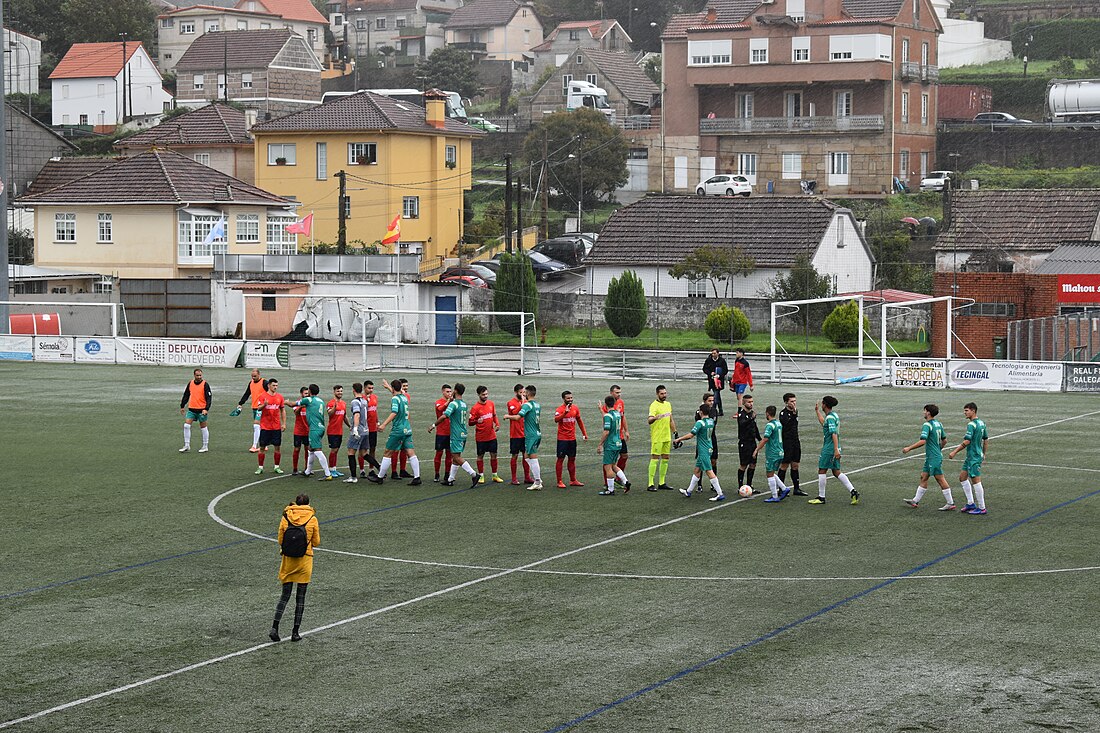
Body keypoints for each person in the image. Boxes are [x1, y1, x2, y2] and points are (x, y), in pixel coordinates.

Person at [268, 493, 320, 643]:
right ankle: (295, 632)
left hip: (288, 561)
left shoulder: (286, 517)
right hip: (304, 561)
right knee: (300, 598)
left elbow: (280, 539)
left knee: (284, 596)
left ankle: (274, 628)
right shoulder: (312, 519)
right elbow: (316, 542)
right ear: (308, 504)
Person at [365, 377, 421, 485]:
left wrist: (384, 424)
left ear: (394, 388)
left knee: (388, 452)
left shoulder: (395, 399)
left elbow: (394, 412)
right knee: (411, 453)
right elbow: (396, 394)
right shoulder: (404, 397)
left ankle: (380, 477)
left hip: (398, 430)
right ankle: (417, 477)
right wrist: (388, 387)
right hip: (407, 429)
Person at [902, 404, 955, 511]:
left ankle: (950, 503)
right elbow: (944, 440)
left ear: (928, 413)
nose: (923, 413)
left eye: (924, 411)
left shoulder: (927, 425)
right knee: (924, 476)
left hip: (933, 457)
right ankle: (915, 500)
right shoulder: (938, 423)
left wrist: (909, 448)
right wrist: (938, 450)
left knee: (939, 478)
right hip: (933, 456)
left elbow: (923, 441)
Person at [809, 396, 859, 505]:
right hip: (834, 447)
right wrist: (817, 411)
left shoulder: (830, 418)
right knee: (836, 472)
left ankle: (821, 497)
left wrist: (835, 449)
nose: (821, 405)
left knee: (822, 470)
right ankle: (853, 491)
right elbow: (824, 424)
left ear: (825, 405)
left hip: (830, 448)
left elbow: (833, 433)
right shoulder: (833, 415)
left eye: (822, 403)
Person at [674, 403, 725, 502]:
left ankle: (720, 493)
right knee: (697, 470)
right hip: (709, 447)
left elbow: (690, 435)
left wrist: (679, 439)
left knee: (709, 471)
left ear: (701, 412)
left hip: (703, 450)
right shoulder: (711, 421)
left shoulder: (700, 423)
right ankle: (688, 491)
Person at [432, 383, 480, 487]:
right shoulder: (464, 404)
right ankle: (450, 479)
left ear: (456, 391)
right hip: (463, 433)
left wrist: (433, 425)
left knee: (456, 457)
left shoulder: (454, 404)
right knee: (455, 457)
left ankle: (473, 474)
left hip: (456, 434)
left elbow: (444, 416)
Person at [948, 402, 989, 515]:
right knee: (962, 477)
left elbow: (967, 441)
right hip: (973, 456)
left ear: (973, 411)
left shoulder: (971, 425)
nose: (964, 413)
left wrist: (954, 452)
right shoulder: (982, 423)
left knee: (976, 480)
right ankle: (970, 503)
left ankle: (982, 507)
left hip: (974, 457)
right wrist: (984, 454)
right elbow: (985, 440)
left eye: (966, 410)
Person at [504, 385, 543, 490]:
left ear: (528, 394)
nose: (523, 394)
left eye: (525, 392)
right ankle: (536, 477)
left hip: (531, 435)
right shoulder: (537, 405)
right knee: (526, 456)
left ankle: (538, 481)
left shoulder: (527, 405)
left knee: (532, 457)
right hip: (536, 433)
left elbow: (517, 417)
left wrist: (507, 416)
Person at [754, 405, 791, 503]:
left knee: (769, 473)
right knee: (772, 472)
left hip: (772, 453)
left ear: (767, 413)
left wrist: (757, 449)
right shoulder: (778, 423)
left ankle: (775, 496)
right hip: (780, 451)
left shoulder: (770, 425)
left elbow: (765, 438)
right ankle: (784, 488)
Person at [345, 383, 380, 484]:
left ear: (353, 390)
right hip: (366, 430)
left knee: (351, 453)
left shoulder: (355, 402)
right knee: (364, 453)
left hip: (359, 430)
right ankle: (380, 468)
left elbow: (357, 415)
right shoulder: (364, 401)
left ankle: (353, 477)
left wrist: (355, 428)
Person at [597, 395, 631, 495]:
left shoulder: (608, 415)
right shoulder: (617, 414)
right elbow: (608, 417)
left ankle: (610, 490)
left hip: (610, 444)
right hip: (618, 442)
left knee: (608, 467)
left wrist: (600, 444)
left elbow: (606, 431)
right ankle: (626, 482)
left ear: (605, 404)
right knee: (614, 465)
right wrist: (601, 410)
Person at [553, 390, 587, 488]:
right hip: (562, 439)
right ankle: (559, 481)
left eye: (571, 398)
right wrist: (564, 413)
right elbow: (556, 420)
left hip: (572, 439)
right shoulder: (559, 409)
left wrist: (584, 433)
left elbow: (579, 421)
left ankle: (573, 480)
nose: (570, 400)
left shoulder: (575, 408)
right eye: (568, 398)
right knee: (560, 459)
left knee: (572, 459)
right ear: (563, 399)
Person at [469, 385, 503, 483]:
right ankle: (481, 476)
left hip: (491, 435)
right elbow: (470, 422)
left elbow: (494, 415)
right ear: (478, 395)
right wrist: (476, 421)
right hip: (481, 437)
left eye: (487, 394)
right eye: (483, 394)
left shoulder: (491, 404)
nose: (485, 396)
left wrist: (497, 423)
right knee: (480, 456)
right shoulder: (475, 408)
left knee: (494, 455)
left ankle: (495, 475)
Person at [777, 392, 808, 496]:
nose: (794, 403)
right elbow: (786, 426)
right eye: (792, 401)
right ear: (786, 402)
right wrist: (794, 414)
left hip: (796, 441)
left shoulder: (795, 412)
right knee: (784, 465)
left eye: (795, 401)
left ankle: (796, 488)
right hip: (787, 442)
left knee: (795, 465)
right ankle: (781, 489)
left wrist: (795, 413)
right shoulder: (783, 414)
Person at [300, 384, 333, 481]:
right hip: (320, 427)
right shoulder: (321, 401)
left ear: (310, 391)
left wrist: (287, 402)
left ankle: (327, 474)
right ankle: (307, 471)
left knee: (317, 450)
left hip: (314, 429)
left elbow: (295, 404)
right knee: (311, 449)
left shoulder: (309, 399)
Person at [646, 385, 676, 491]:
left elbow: (671, 420)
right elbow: (649, 420)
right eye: (662, 394)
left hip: (667, 436)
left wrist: (675, 432)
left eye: (665, 393)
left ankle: (662, 482)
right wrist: (655, 418)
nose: (664, 395)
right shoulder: (654, 406)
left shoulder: (668, 404)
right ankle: (650, 484)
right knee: (655, 459)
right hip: (657, 437)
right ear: (657, 394)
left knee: (665, 458)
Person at [255, 378, 286, 475]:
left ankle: (277, 467)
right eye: (273, 385)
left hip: (276, 427)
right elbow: (258, 409)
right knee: (262, 447)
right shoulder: (263, 396)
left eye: (276, 385)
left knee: (277, 447)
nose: (275, 387)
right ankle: (260, 467)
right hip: (265, 427)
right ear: (269, 385)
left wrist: (283, 423)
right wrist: (264, 405)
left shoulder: (280, 397)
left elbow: (282, 410)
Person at [233, 369, 268, 453]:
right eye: (252, 376)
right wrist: (240, 403)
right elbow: (247, 393)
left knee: (256, 425)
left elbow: (270, 393)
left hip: (262, 408)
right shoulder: (251, 383)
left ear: (259, 374)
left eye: (255, 376)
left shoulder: (264, 382)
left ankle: (254, 446)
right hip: (254, 407)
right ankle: (264, 445)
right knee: (261, 426)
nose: (253, 377)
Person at [179, 368, 212, 453]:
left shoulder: (205, 384)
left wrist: (206, 409)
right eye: (197, 375)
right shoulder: (190, 383)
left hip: (201, 410)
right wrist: (182, 405)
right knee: (186, 426)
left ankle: (205, 446)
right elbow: (186, 395)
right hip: (192, 409)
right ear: (194, 375)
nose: (199, 377)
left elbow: (209, 398)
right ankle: (187, 445)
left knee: (203, 427)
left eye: (200, 375)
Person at [506, 383, 532, 485]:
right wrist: (522, 402)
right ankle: (514, 478)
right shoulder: (511, 403)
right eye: (521, 392)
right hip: (515, 434)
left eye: (524, 392)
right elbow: (515, 413)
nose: (523, 394)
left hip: (525, 433)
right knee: (514, 455)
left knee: (526, 456)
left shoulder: (526, 402)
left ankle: (527, 477)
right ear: (516, 392)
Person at [736, 395, 762, 493]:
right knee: (743, 465)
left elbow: (754, 427)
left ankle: (749, 485)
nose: (751, 404)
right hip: (744, 443)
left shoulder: (751, 414)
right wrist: (751, 418)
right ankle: (740, 486)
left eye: (752, 401)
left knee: (753, 464)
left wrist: (759, 438)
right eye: (748, 402)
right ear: (743, 403)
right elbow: (742, 424)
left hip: (752, 442)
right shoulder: (741, 414)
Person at [325, 385, 350, 478]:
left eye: (341, 391)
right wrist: (335, 407)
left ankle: (334, 469)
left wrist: (350, 426)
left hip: (339, 431)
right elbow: (330, 414)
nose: (340, 393)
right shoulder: (330, 403)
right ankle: (331, 469)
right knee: (333, 450)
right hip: (332, 431)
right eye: (338, 391)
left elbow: (344, 416)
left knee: (336, 450)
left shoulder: (343, 403)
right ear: (334, 392)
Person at [433, 384, 455, 482]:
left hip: (451, 433)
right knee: (439, 453)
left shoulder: (454, 403)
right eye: (447, 392)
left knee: (449, 455)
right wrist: (448, 402)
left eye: (450, 392)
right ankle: (437, 474)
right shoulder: (439, 402)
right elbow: (440, 409)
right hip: (441, 433)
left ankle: (447, 474)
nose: (449, 393)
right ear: (443, 392)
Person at [702, 349, 729, 417]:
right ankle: (720, 410)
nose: (713, 355)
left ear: (718, 353)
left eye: (714, 353)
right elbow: (704, 369)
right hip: (711, 381)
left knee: (716, 395)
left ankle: (713, 410)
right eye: (712, 353)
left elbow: (725, 370)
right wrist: (710, 373)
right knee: (717, 395)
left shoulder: (722, 361)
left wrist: (720, 375)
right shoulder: (708, 360)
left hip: (719, 381)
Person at [290, 387, 310, 475]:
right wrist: (301, 406)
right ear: (301, 394)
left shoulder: (310, 404)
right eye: (305, 393)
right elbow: (296, 413)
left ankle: (307, 468)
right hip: (298, 431)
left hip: (308, 431)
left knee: (307, 450)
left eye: (308, 393)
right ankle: (295, 468)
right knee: (297, 449)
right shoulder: (297, 403)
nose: (307, 395)